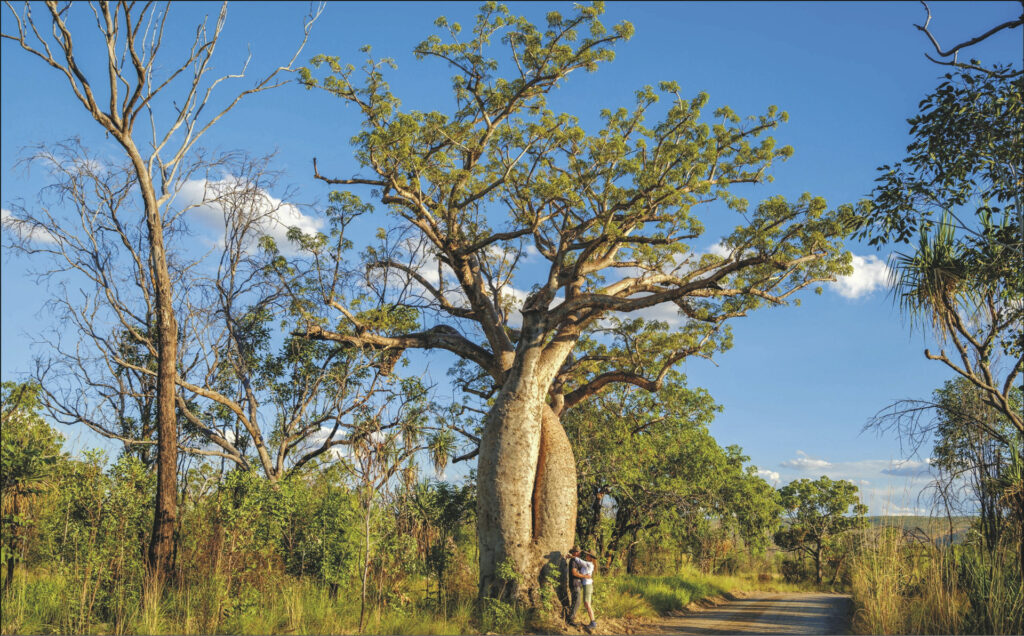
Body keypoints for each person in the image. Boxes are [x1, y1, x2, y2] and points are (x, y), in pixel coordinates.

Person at [565, 545, 590, 626]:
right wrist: (585, 576)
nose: (579, 553)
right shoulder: (573, 561)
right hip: (574, 584)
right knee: (577, 601)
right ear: (575, 552)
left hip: (577, 584)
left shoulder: (576, 560)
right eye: (578, 552)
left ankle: (570, 618)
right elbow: (574, 573)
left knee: (575, 601)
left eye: (579, 551)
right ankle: (570, 619)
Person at [579, 550, 597, 629]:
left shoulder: (589, 564)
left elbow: (578, 560)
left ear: (591, 557)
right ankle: (592, 622)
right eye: (587, 555)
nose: (586, 556)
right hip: (586, 585)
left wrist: (571, 556)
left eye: (588, 555)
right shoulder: (587, 564)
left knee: (587, 604)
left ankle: (593, 622)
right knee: (586, 604)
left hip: (588, 585)